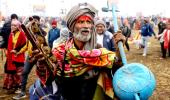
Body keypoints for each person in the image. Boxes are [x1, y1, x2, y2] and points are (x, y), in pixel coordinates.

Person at [28, 2, 125, 100]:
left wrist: (119, 49)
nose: (86, 26)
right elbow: (49, 79)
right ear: (72, 26)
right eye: (81, 22)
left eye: (89, 22)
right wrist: (42, 62)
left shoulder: (98, 50)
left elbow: (117, 68)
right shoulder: (60, 51)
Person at [12, 15, 47, 99]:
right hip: (30, 56)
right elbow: (26, 45)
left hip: (39, 57)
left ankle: (45, 91)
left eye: (35, 21)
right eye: (32, 21)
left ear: (38, 22)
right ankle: (22, 92)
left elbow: (44, 46)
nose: (33, 22)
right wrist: (18, 51)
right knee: (24, 72)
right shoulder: (29, 32)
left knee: (42, 74)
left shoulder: (42, 33)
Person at [3, 19, 27, 94]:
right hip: (11, 57)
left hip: (19, 57)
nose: (12, 27)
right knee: (12, 73)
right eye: (12, 25)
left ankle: (20, 88)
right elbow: (9, 45)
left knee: (19, 74)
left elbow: (24, 45)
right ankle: (13, 86)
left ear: (18, 26)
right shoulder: (11, 34)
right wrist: (8, 51)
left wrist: (17, 51)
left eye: (15, 25)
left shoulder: (22, 34)